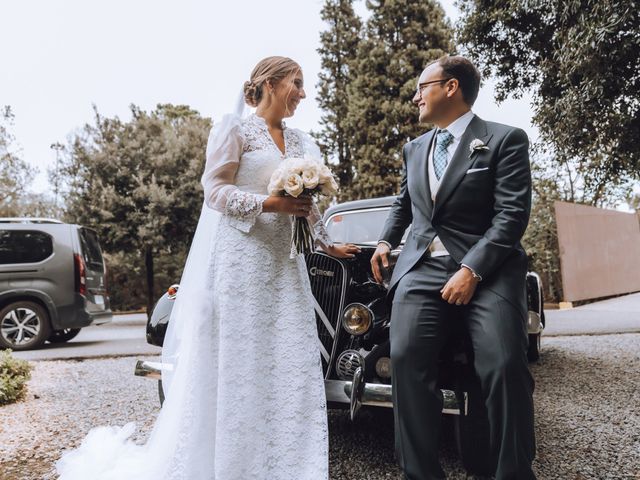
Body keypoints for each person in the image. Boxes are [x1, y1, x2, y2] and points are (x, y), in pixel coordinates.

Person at [56, 56, 359, 480]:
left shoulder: (302, 142)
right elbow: (214, 192)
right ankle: (232, 464)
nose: (303, 94)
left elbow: (307, 208)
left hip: (284, 266)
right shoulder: (234, 129)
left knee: (289, 362)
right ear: (269, 84)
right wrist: (271, 203)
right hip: (241, 261)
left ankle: (291, 465)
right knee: (240, 362)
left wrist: (328, 243)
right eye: (297, 83)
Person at [370, 55, 536, 480]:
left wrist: (473, 269)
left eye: (421, 87)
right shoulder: (414, 149)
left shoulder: (504, 139)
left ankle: (512, 472)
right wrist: (387, 241)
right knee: (404, 358)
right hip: (422, 269)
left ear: (450, 87)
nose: (414, 97)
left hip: (490, 270)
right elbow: (403, 204)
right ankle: (420, 473)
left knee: (503, 364)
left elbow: (511, 216)